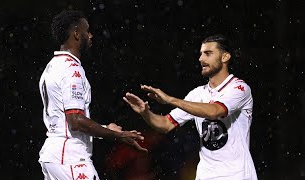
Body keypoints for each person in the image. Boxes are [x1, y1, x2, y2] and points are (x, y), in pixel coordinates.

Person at [123, 34, 257, 180]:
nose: (201, 59)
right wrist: (145, 113)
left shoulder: (239, 88)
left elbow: (214, 111)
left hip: (237, 175)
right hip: (205, 176)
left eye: (208, 53)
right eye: (200, 54)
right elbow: (166, 124)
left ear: (225, 57)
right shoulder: (197, 94)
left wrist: (170, 99)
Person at [38, 10, 147, 180]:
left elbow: (68, 120)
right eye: (86, 31)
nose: (90, 35)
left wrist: (105, 129)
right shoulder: (72, 69)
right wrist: (118, 135)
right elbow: (75, 122)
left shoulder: (51, 66)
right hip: (71, 159)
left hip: (54, 156)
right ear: (76, 34)